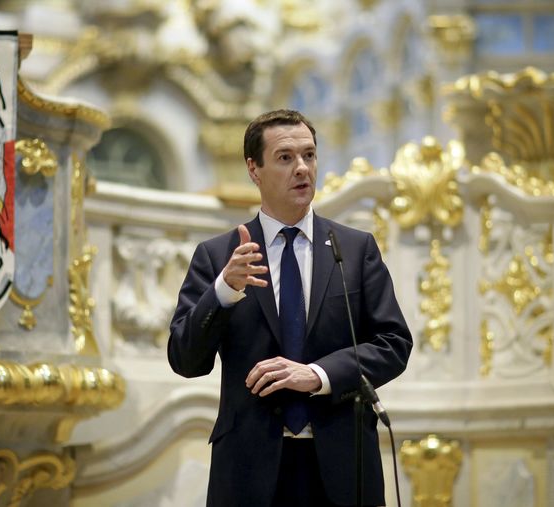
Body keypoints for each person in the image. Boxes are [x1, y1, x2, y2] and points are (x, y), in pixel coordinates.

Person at [168, 109, 412, 506]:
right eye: (285, 158)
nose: (302, 168)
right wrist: (225, 291)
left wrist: (317, 374)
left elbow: (393, 343)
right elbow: (185, 359)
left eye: (310, 155)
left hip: (342, 465)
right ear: (254, 168)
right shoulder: (218, 257)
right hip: (250, 469)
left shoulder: (354, 249)